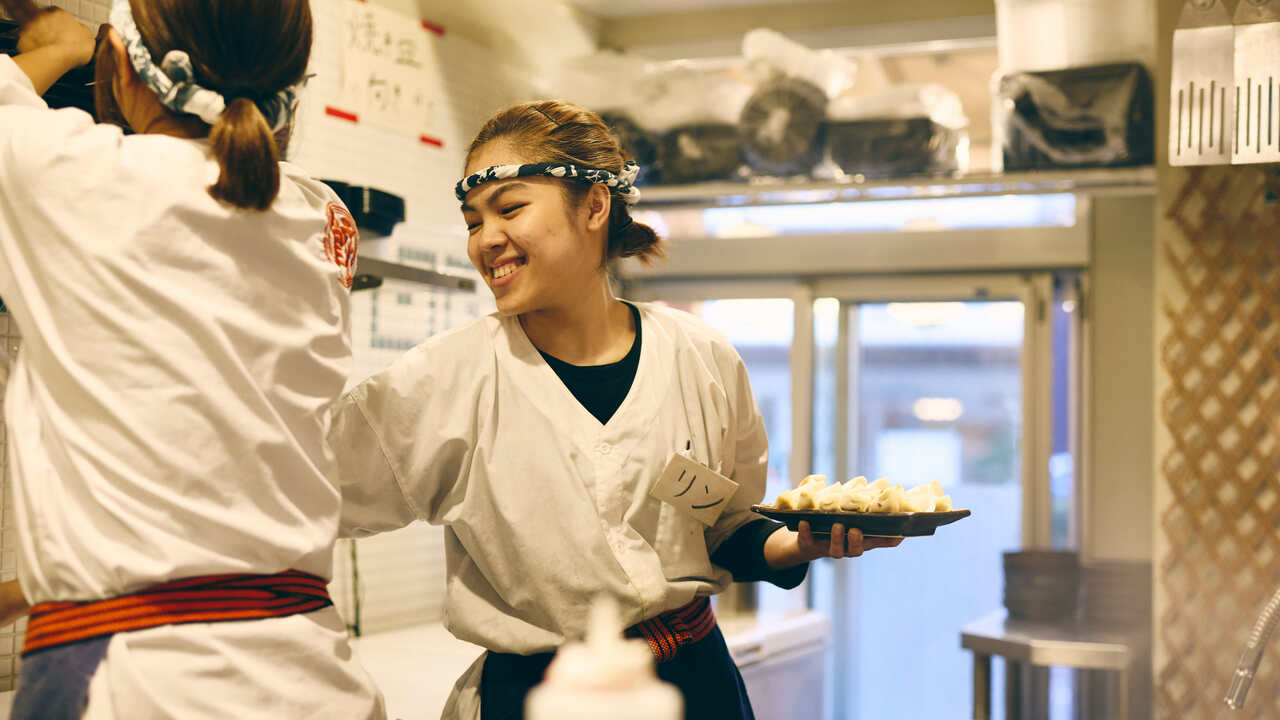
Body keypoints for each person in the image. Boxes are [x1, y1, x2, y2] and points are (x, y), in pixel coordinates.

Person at [330, 99, 902, 720]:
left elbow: (724, 527)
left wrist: (797, 545)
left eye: (510, 209)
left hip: (697, 686)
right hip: (537, 697)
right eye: (473, 221)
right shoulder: (446, 378)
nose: (486, 239)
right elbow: (301, 496)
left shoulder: (700, 357)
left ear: (595, 207)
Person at [0, 3, 383, 718]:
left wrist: (56, 47)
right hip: (318, 670)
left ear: (120, 65)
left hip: (139, 678)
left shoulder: (78, 174)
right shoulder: (323, 212)